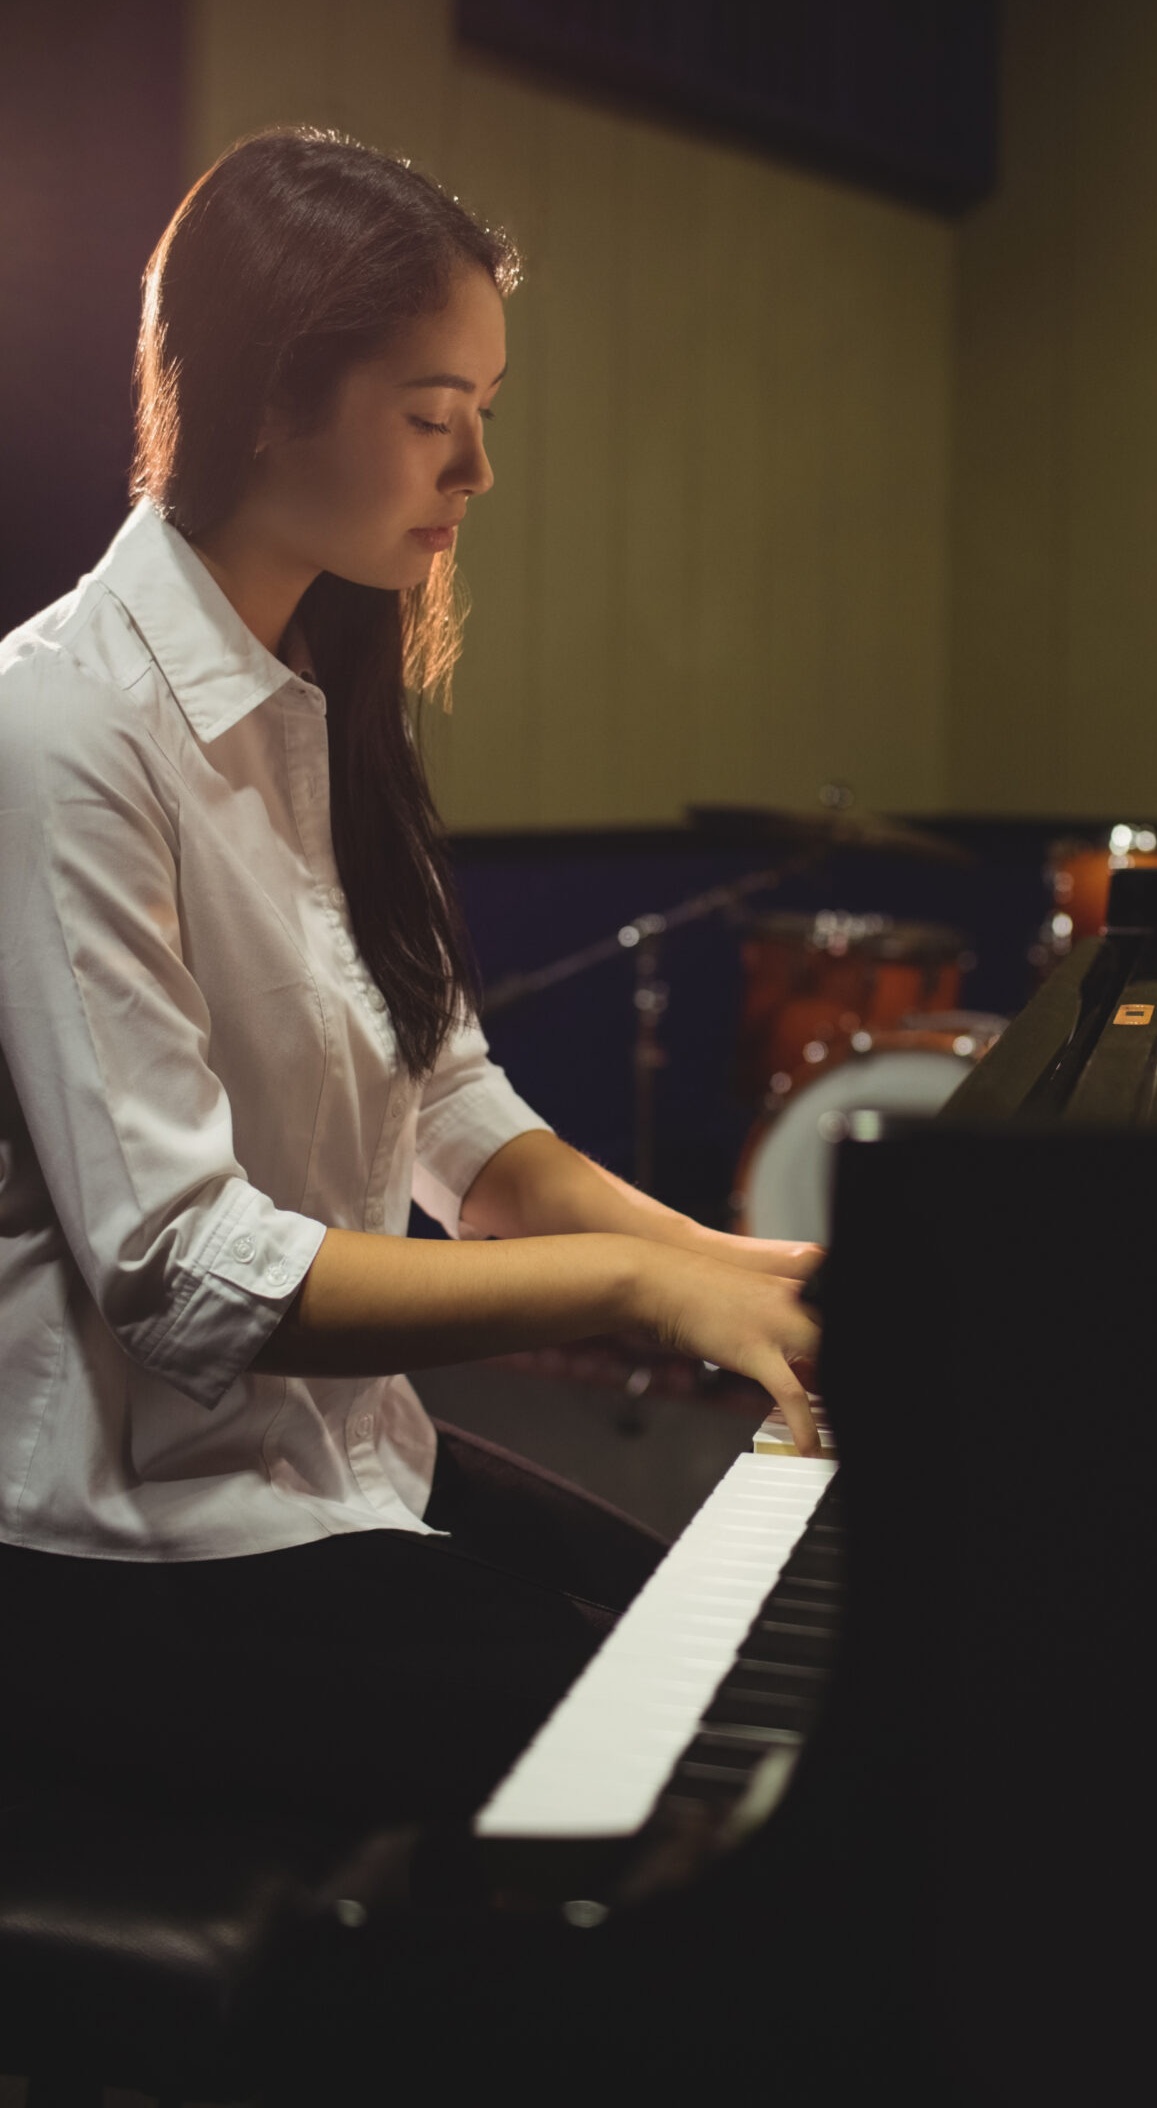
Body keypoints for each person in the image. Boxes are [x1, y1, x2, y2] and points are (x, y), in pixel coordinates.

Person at [0, 127, 824, 1836]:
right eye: (431, 417)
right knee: (691, 1787)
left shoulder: (325, 701)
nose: (477, 473)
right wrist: (638, 1296)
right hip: (115, 1555)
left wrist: (754, 1272)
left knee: (700, 1636)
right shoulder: (61, 727)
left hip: (329, 1469)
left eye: (484, 417)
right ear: (262, 402)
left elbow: (456, 1117)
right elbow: (179, 1269)